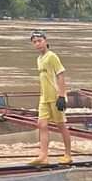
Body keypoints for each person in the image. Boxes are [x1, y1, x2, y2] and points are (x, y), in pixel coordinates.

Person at [29, 30, 74, 165]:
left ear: (45, 41)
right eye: (35, 42)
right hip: (44, 97)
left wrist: (61, 95)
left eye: (40, 41)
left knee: (61, 125)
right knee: (41, 124)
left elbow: (60, 75)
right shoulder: (39, 59)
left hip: (55, 96)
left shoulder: (52, 56)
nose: (38, 44)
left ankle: (68, 154)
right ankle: (43, 156)